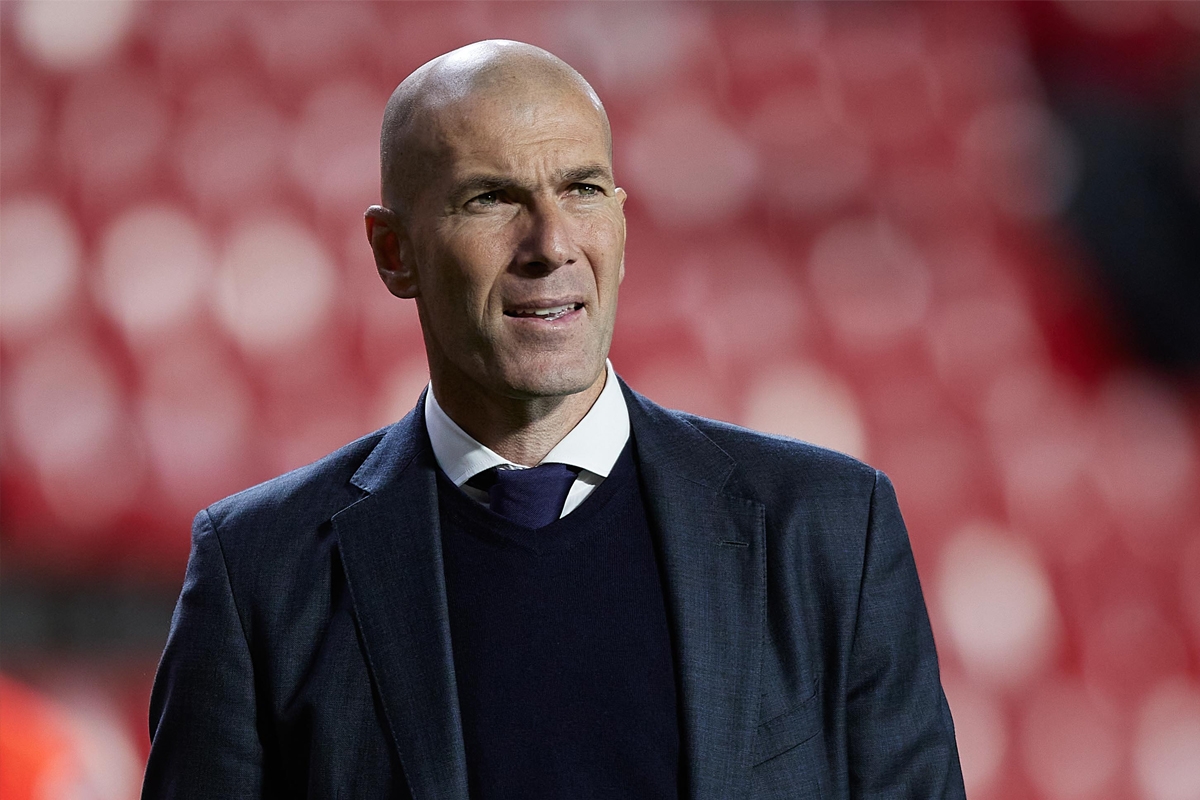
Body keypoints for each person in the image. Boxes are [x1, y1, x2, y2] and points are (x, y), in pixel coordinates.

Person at [142, 40, 965, 800]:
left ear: (621, 221)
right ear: (395, 253)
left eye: (582, 189)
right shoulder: (257, 573)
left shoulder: (831, 528)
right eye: (490, 198)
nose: (552, 243)